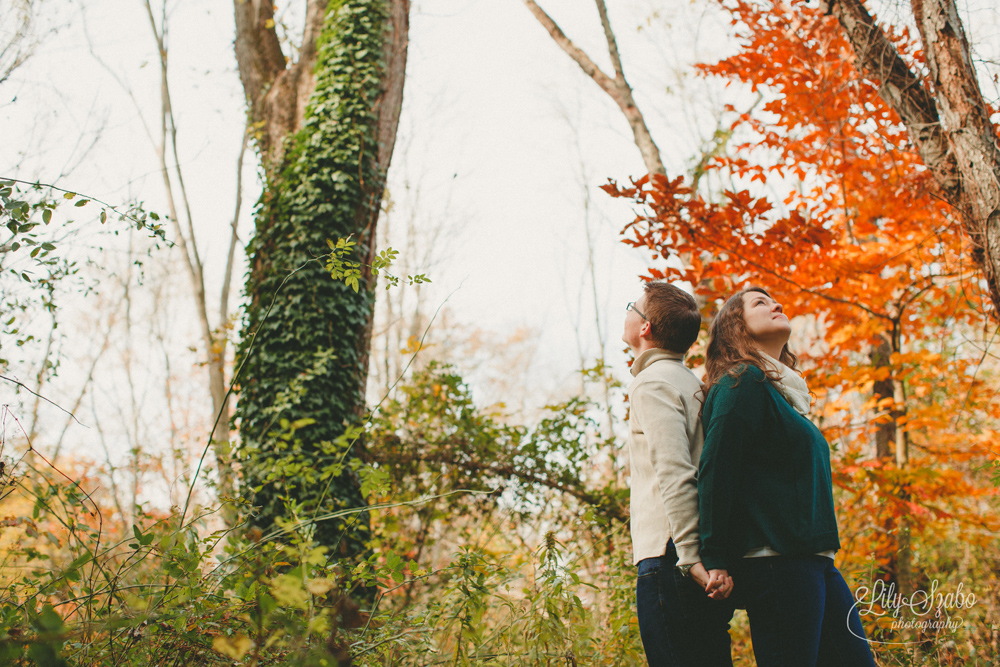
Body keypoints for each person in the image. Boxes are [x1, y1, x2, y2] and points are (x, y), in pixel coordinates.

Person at [697, 286, 877, 667]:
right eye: (760, 303)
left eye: (775, 300)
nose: (776, 304)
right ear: (735, 326)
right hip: (776, 563)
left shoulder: (782, 393)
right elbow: (717, 469)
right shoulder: (741, 381)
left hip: (815, 562)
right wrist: (714, 557)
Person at [623, 281, 735, 667]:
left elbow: (676, 472)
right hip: (698, 551)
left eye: (631, 307)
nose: (627, 312)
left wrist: (688, 559)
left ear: (645, 328)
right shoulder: (691, 383)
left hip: (671, 555)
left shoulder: (652, 384)